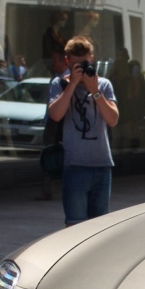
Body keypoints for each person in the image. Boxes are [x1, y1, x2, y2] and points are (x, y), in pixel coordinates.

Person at [47, 37, 119, 225]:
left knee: (99, 228)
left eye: (84, 63)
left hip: (102, 165)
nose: (80, 69)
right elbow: (55, 115)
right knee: (75, 226)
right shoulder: (59, 84)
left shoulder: (103, 85)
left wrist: (95, 91)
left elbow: (112, 119)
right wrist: (72, 85)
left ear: (92, 60)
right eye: (76, 64)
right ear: (67, 61)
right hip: (75, 165)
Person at [42, 10, 68, 76]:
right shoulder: (48, 34)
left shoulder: (60, 35)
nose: (64, 22)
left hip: (60, 63)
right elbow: (48, 51)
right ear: (57, 20)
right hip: (53, 63)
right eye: (63, 19)